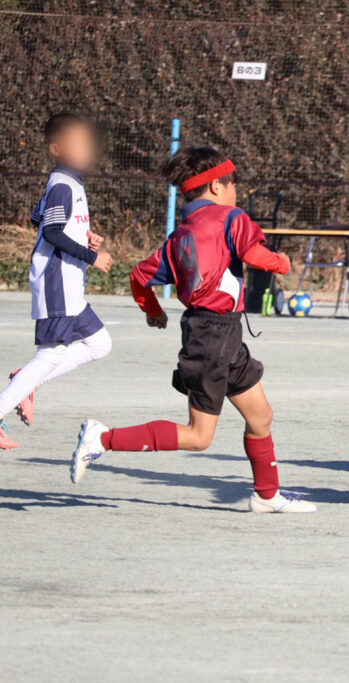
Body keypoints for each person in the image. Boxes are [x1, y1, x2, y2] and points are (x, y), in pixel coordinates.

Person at [69, 147, 316, 513]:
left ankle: (267, 496)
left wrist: (154, 311)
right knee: (199, 436)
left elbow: (139, 276)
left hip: (217, 333)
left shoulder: (180, 234)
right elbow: (255, 255)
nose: (236, 191)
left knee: (261, 416)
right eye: (234, 184)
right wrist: (282, 262)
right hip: (214, 337)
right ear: (217, 186)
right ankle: (102, 438)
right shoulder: (232, 217)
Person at [0, 113, 114, 450]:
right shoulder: (63, 184)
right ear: (56, 149)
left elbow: (38, 216)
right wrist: (92, 256)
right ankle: (16, 392)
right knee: (49, 356)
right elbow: (50, 232)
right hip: (56, 284)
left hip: (70, 285)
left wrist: (83, 235)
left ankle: (27, 380)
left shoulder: (69, 183)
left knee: (100, 344)